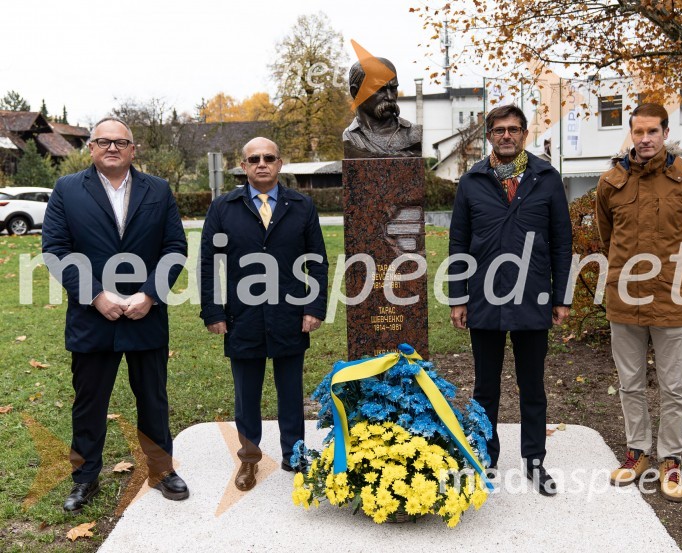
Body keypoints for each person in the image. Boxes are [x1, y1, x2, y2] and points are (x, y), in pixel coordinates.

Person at [42, 117, 189, 513]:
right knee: (89, 402)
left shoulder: (157, 190)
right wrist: (93, 295)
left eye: (120, 142)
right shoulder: (68, 189)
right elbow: (55, 249)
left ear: (132, 149)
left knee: (153, 399)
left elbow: (174, 247)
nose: (112, 148)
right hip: (93, 319)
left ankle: (161, 471)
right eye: (103, 141)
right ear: (90, 147)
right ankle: (85, 478)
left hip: (147, 317)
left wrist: (152, 295)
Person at [448, 105, 572, 496]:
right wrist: (457, 297)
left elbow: (562, 243)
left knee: (532, 385)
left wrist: (561, 296)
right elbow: (457, 244)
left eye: (514, 129)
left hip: (533, 297)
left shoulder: (546, 179)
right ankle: (486, 457)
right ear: (489, 135)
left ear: (524, 134)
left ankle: (534, 461)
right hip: (484, 298)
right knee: (486, 387)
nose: (506, 135)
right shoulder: (472, 182)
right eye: (499, 130)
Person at [596, 103, 682, 502]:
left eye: (652, 132)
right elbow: (606, 235)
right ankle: (636, 451)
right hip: (624, 298)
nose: (645, 139)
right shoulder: (610, 183)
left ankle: (671, 459)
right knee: (629, 383)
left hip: (671, 296)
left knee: (673, 385)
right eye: (638, 132)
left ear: (665, 133)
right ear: (631, 133)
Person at [199, 137, 328, 492]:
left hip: (289, 311)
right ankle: (249, 458)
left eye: (268, 157)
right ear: (243, 166)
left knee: (290, 390)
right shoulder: (224, 208)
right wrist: (213, 310)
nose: (261, 163)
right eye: (253, 158)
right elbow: (208, 263)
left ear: (279, 163)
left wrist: (314, 307)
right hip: (243, 315)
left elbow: (317, 261)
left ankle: (294, 453)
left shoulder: (301, 206)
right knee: (247, 392)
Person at [342, 57, 422, 158]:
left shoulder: (413, 134)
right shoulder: (351, 137)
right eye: (380, 90)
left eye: (393, 88)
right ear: (355, 92)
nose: (390, 97)